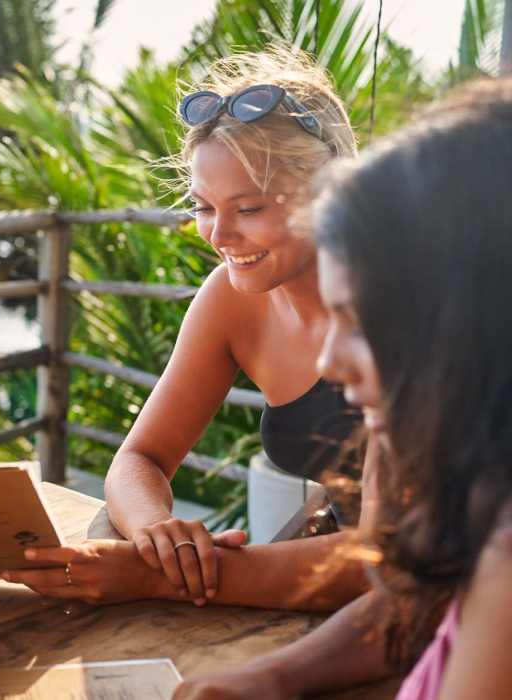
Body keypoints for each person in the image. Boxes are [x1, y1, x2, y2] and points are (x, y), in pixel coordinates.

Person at [174, 77, 512, 699]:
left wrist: (165, 578)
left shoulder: (505, 560)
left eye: (362, 321)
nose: (329, 360)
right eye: (204, 206)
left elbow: (377, 572)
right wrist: (270, 679)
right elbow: (406, 605)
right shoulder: (477, 517)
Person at [102, 47, 373, 606]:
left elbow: (405, 555)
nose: (219, 236)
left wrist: (157, 577)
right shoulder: (231, 299)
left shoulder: (410, 305)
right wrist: (158, 532)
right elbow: (140, 459)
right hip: (338, 587)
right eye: (204, 207)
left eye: (249, 209)